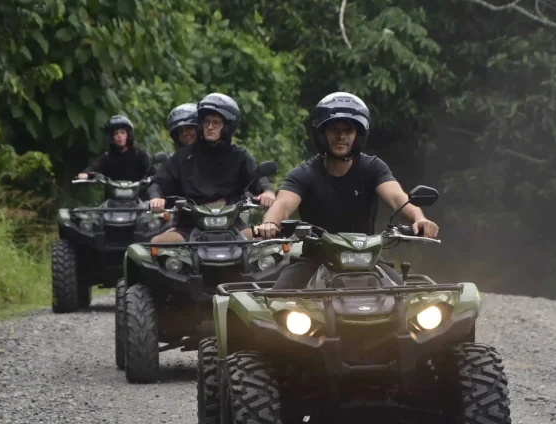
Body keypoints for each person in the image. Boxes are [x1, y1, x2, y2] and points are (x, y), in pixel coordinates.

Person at [253, 92, 439, 288]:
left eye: (348, 130)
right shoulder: (304, 174)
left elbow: (397, 198)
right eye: (334, 129)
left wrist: (419, 219)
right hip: (314, 260)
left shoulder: (372, 167)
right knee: (278, 301)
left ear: (357, 135)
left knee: (405, 299)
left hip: (367, 259)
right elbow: (282, 205)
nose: (341, 136)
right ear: (322, 133)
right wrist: (270, 224)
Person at [148, 93, 276, 242]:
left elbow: (258, 179)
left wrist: (267, 192)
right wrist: (156, 198)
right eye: (207, 122)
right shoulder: (183, 156)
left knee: (264, 246)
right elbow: (159, 182)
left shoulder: (239, 156)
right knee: (157, 244)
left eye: (216, 123)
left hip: (232, 225)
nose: (209, 127)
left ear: (227, 127)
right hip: (189, 226)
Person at [77, 115, 151, 181]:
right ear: (112, 138)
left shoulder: (139, 155)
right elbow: (94, 167)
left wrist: (151, 178)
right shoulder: (108, 157)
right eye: (115, 134)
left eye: (122, 132)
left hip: (136, 193)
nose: (119, 136)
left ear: (128, 135)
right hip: (113, 194)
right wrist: (86, 174)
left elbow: (152, 171)